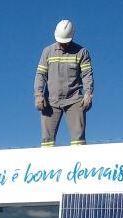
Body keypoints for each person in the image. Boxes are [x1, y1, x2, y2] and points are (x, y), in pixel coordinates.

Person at [34, 19, 94, 147]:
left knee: (78, 141)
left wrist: (88, 93)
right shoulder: (47, 52)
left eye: (65, 42)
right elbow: (41, 75)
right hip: (51, 101)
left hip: (74, 100)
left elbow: (87, 75)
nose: (62, 44)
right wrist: (38, 95)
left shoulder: (82, 52)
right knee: (47, 142)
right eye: (60, 41)